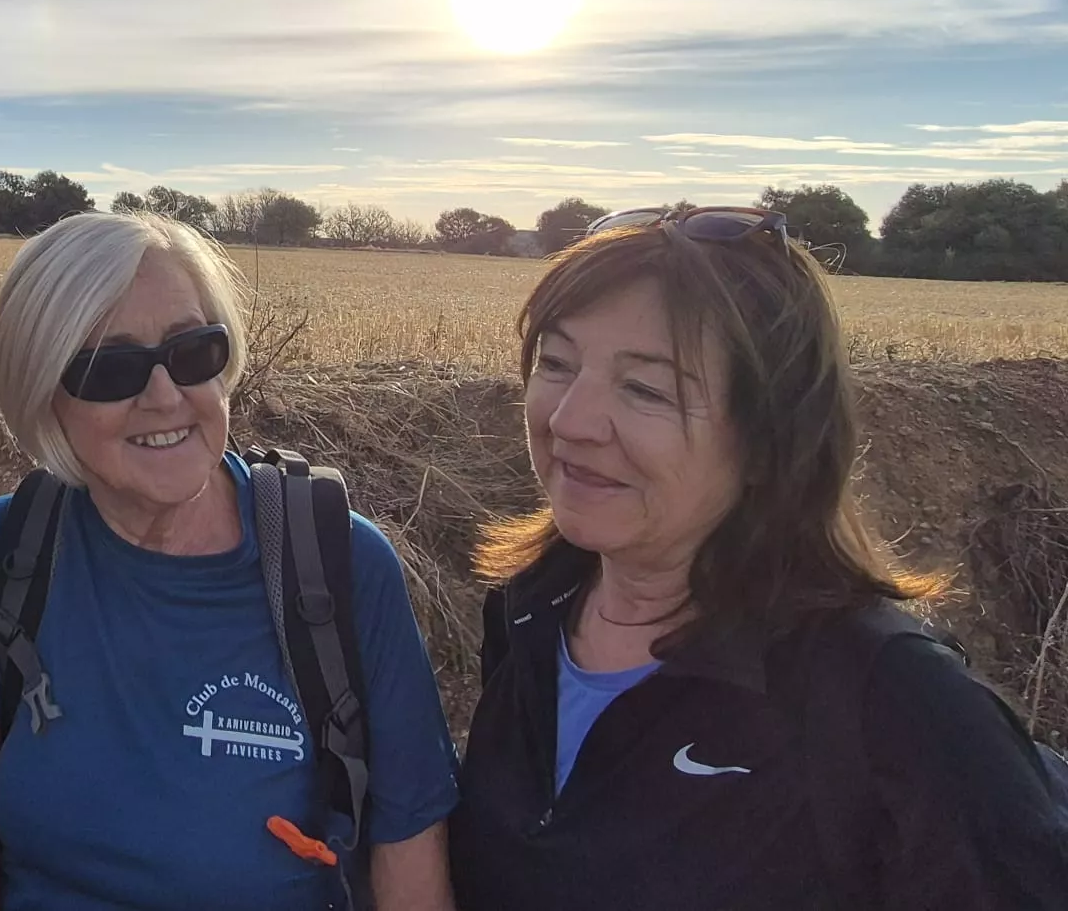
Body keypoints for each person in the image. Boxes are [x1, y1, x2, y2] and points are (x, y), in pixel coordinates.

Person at [448, 205, 1068, 910]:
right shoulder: (527, 611)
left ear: (771, 437)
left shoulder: (897, 704)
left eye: (646, 389)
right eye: (556, 364)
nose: (569, 421)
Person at [0, 211, 458, 911]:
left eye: (194, 352)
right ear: (43, 390)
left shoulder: (340, 566)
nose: (165, 396)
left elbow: (411, 872)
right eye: (111, 367)